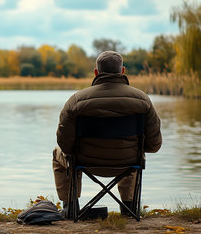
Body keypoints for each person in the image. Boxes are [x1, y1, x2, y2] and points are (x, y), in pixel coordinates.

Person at [52, 50, 162, 216]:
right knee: (134, 149)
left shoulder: (76, 100)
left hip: (86, 161)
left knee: (57, 153)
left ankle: (71, 206)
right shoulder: (142, 100)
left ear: (96, 72)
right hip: (127, 162)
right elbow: (154, 145)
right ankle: (129, 207)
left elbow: (65, 145)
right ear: (122, 71)